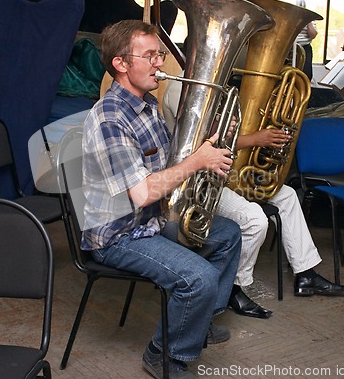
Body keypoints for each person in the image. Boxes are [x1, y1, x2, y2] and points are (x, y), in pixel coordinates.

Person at [82, 19, 242, 379]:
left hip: (151, 221)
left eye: (160, 54)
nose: (160, 63)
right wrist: (197, 161)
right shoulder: (111, 118)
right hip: (117, 235)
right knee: (198, 278)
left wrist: (214, 143)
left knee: (229, 235)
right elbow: (142, 193)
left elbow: (170, 162)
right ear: (121, 64)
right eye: (150, 56)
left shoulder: (148, 104)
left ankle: (195, 325)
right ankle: (164, 354)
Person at [162, 74, 344, 320]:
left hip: (221, 172)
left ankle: (306, 273)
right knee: (254, 219)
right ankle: (234, 287)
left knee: (285, 195)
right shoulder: (181, 89)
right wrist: (256, 139)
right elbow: (201, 144)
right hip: (197, 183)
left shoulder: (216, 86)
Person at [295, 0, 318, 82]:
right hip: (290, 48)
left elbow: (313, 35)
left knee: (306, 74)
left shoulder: (311, 20)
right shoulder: (291, 16)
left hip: (305, 48)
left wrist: (308, 19)